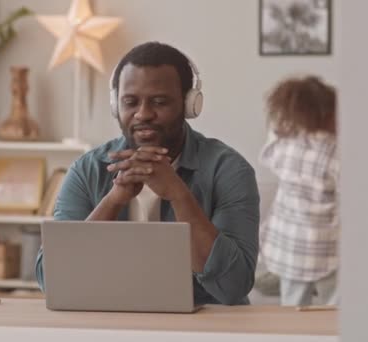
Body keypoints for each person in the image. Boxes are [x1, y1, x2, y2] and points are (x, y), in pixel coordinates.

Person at [35, 42, 260, 305]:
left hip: (207, 325)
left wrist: (179, 195)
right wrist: (113, 201)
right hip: (109, 320)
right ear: (115, 104)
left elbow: (233, 286)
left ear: (189, 104)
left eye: (160, 102)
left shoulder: (229, 170)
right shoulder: (87, 170)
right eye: (130, 102)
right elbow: (51, 281)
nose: (143, 114)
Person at [259, 75, 339, 306]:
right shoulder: (335, 151)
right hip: (325, 246)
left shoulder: (285, 146)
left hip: (291, 246)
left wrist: (283, 123)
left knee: (293, 303)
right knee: (335, 301)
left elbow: (269, 151)